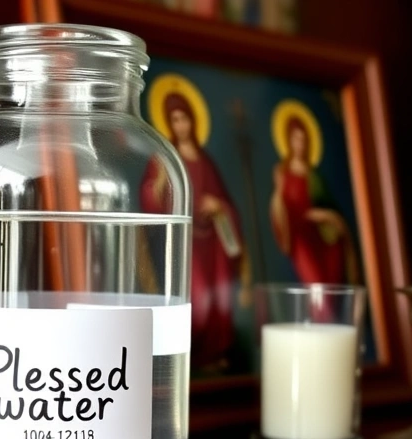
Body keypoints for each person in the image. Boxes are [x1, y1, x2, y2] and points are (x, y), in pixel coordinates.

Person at [141, 92, 251, 371]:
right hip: (186, 245)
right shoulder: (165, 158)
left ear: (193, 120)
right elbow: (150, 202)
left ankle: (212, 360)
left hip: (212, 241)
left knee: (219, 300)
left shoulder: (206, 160)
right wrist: (159, 185)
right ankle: (194, 360)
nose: (181, 125)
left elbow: (227, 206)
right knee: (198, 299)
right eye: (175, 120)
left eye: (185, 118)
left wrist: (219, 207)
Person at [270, 116, 357, 284]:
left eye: (303, 139)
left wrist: (326, 215)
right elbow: (279, 209)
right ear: (289, 140)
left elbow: (329, 206)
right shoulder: (282, 173)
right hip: (300, 237)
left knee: (331, 286)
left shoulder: (314, 176)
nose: (300, 144)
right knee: (315, 286)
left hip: (322, 237)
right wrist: (279, 191)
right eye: (296, 139)